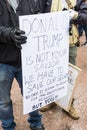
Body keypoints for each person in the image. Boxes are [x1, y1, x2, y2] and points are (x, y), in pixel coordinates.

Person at [0, 0, 52, 130]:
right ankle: (8, 126)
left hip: (27, 60)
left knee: (33, 96)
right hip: (3, 61)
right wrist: (9, 34)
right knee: (3, 101)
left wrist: (57, 24)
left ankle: (36, 123)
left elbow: (38, 17)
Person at [40, 0, 80, 120]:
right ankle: (51, 100)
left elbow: (85, 16)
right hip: (51, 44)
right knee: (51, 73)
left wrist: (76, 15)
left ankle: (68, 104)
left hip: (70, 43)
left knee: (70, 75)